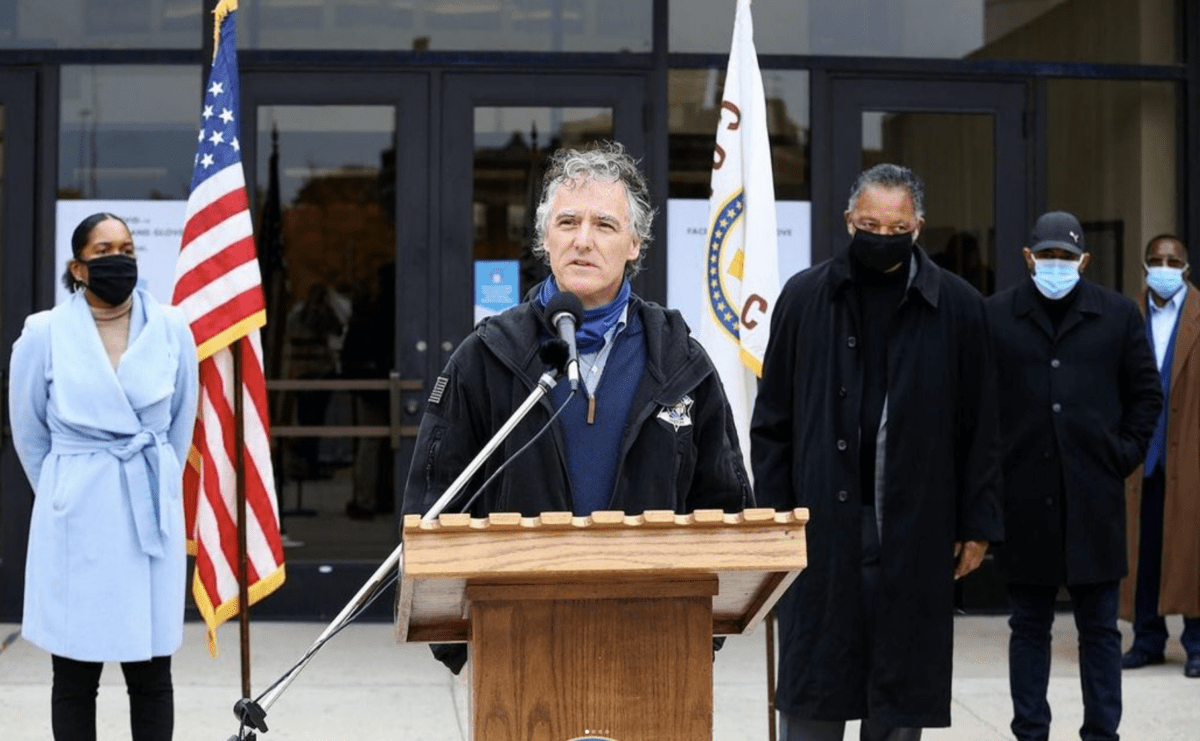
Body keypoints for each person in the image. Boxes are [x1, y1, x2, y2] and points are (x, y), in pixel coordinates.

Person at [402, 141, 752, 672]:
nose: (583, 241)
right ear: (546, 238)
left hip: (654, 643)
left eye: (605, 226)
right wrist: (455, 633)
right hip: (519, 642)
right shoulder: (487, 355)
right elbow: (435, 499)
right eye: (568, 222)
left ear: (636, 243)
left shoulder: (681, 358)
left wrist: (702, 628)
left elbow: (723, 502)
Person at [751, 163, 1003, 741]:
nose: (881, 237)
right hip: (823, 526)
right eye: (869, 224)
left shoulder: (959, 307)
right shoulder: (805, 297)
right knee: (815, 693)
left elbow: (980, 427)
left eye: (895, 227)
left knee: (897, 700)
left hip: (914, 530)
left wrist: (977, 523)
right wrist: (777, 519)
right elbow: (772, 424)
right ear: (848, 220)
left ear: (918, 227)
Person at [7, 212, 199, 740]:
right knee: (73, 674)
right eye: (105, 249)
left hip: (147, 515)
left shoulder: (173, 328)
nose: (120, 259)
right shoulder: (44, 333)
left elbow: (179, 425)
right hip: (76, 517)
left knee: (152, 673)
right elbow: (28, 432)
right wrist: (63, 491)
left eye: (128, 249)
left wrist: (155, 479)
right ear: (78, 266)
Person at [986, 211, 1162, 741]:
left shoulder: (1117, 316)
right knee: (1028, 628)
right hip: (1024, 502)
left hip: (1094, 502)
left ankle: (1102, 733)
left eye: (1065, 257)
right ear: (1028, 258)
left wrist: (1121, 455)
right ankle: (1031, 731)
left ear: (1084, 260)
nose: (1055, 266)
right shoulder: (996, 316)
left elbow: (1146, 396)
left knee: (1101, 631)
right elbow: (978, 405)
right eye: (1047, 257)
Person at [1119, 234, 1200, 679]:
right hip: (1141, 457)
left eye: (1173, 260)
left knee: (1193, 553)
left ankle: (1196, 642)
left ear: (1186, 268)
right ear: (1145, 267)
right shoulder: (1128, 315)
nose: (1164, 267)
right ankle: (1147, 639)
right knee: (1144, 551)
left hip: (1189, 455)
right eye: (1156, 260)